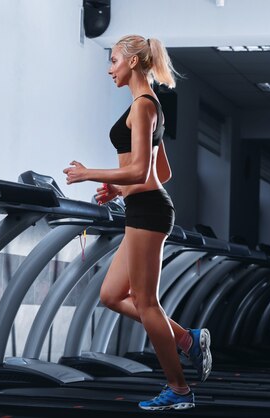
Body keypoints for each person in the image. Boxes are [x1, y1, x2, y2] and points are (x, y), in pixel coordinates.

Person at [63, 34, 211, 411]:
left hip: (148, 211)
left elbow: (142, 169)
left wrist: (90, 175)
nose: (109, 68)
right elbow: (162, 169)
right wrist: (116, 187)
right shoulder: (146, 106)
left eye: (112, 60)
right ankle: (188, 340)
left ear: (131, 61)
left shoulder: (143, 106)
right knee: (112, 295)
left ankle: (179, 390)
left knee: (146, 303)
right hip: (142, 205)